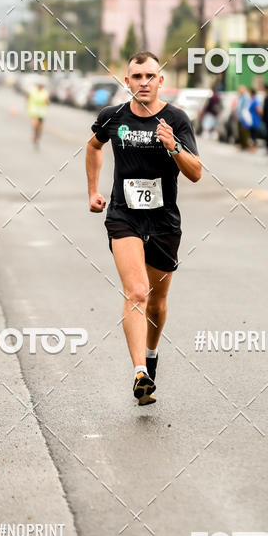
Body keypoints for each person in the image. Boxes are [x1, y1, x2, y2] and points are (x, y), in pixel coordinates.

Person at [86, 51, 202, 406]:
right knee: (137, 292)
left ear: (160, 81)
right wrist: (93, 190)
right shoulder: (113, 117)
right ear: (128, 81)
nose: (144, 83)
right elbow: (93, 146)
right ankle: (140, 373)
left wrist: (174, 147)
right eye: (137, 77)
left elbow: (196, 172)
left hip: (164, 221)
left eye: (150, 76)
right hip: (125, 217)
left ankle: (151, 354)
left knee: (157, 302)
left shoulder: (176, 119)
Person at [27, 80, 50, 147]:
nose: (41, 86)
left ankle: (37, 137)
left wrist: (47, 102)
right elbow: (28, 98)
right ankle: (34, 135)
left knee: (40, 127)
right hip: (33, 110)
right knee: (35, 124)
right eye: (39, 85)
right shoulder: (33, 91)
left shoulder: (45, 92)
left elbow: (47, 101)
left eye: (42, 86)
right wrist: (27, 105)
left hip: (41, 112)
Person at [237, 86, 252, 150]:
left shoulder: (246, 97)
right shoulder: (241, 97)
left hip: (244, 117)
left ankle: (246, 145)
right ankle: (242, 144)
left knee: (244, 131)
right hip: (240, 116)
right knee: (240, 131)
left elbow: (246, 107)